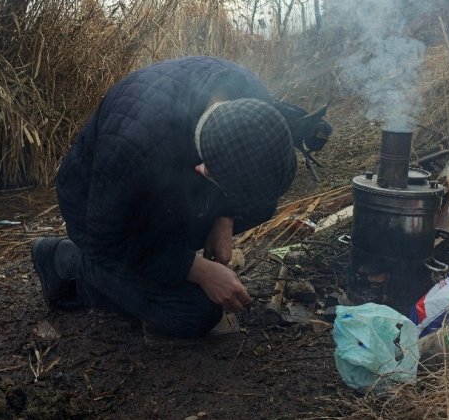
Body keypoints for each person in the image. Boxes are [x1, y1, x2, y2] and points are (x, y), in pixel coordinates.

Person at [31, 56, 330, 338]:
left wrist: (224, 220)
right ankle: (66, 260)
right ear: (203, 170)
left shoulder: (252, 100)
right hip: (96, 211)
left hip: (165, 187)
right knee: (193, 312)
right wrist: (195, 269)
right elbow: (105, 237)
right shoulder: (133, 145)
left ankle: (164, 253)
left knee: (260, 206)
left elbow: (249, 181)